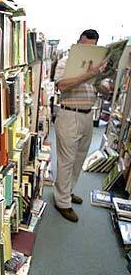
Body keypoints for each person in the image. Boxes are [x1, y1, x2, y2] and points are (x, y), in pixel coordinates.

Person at [53, 29, 108, 222]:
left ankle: (66, 192)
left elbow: (102, 90)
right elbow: (62, 86)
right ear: (78, 43)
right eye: (84, 46)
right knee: (66, 160)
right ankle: (62, 202)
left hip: (87, 116)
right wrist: (88, 74)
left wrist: (100, 81)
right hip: (69, 114)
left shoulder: (97, 66)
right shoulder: (66, 62)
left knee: (78, 159)